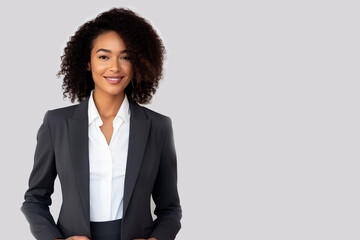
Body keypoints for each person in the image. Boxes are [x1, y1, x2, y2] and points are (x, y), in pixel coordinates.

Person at [20, 7, 182, 240]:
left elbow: (170, 209)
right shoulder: (57, 123)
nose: (114, 67)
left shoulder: (158, 127)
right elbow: (35, 200)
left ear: (136, 64)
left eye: (125, 57)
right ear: (88, 62)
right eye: (104, 56)